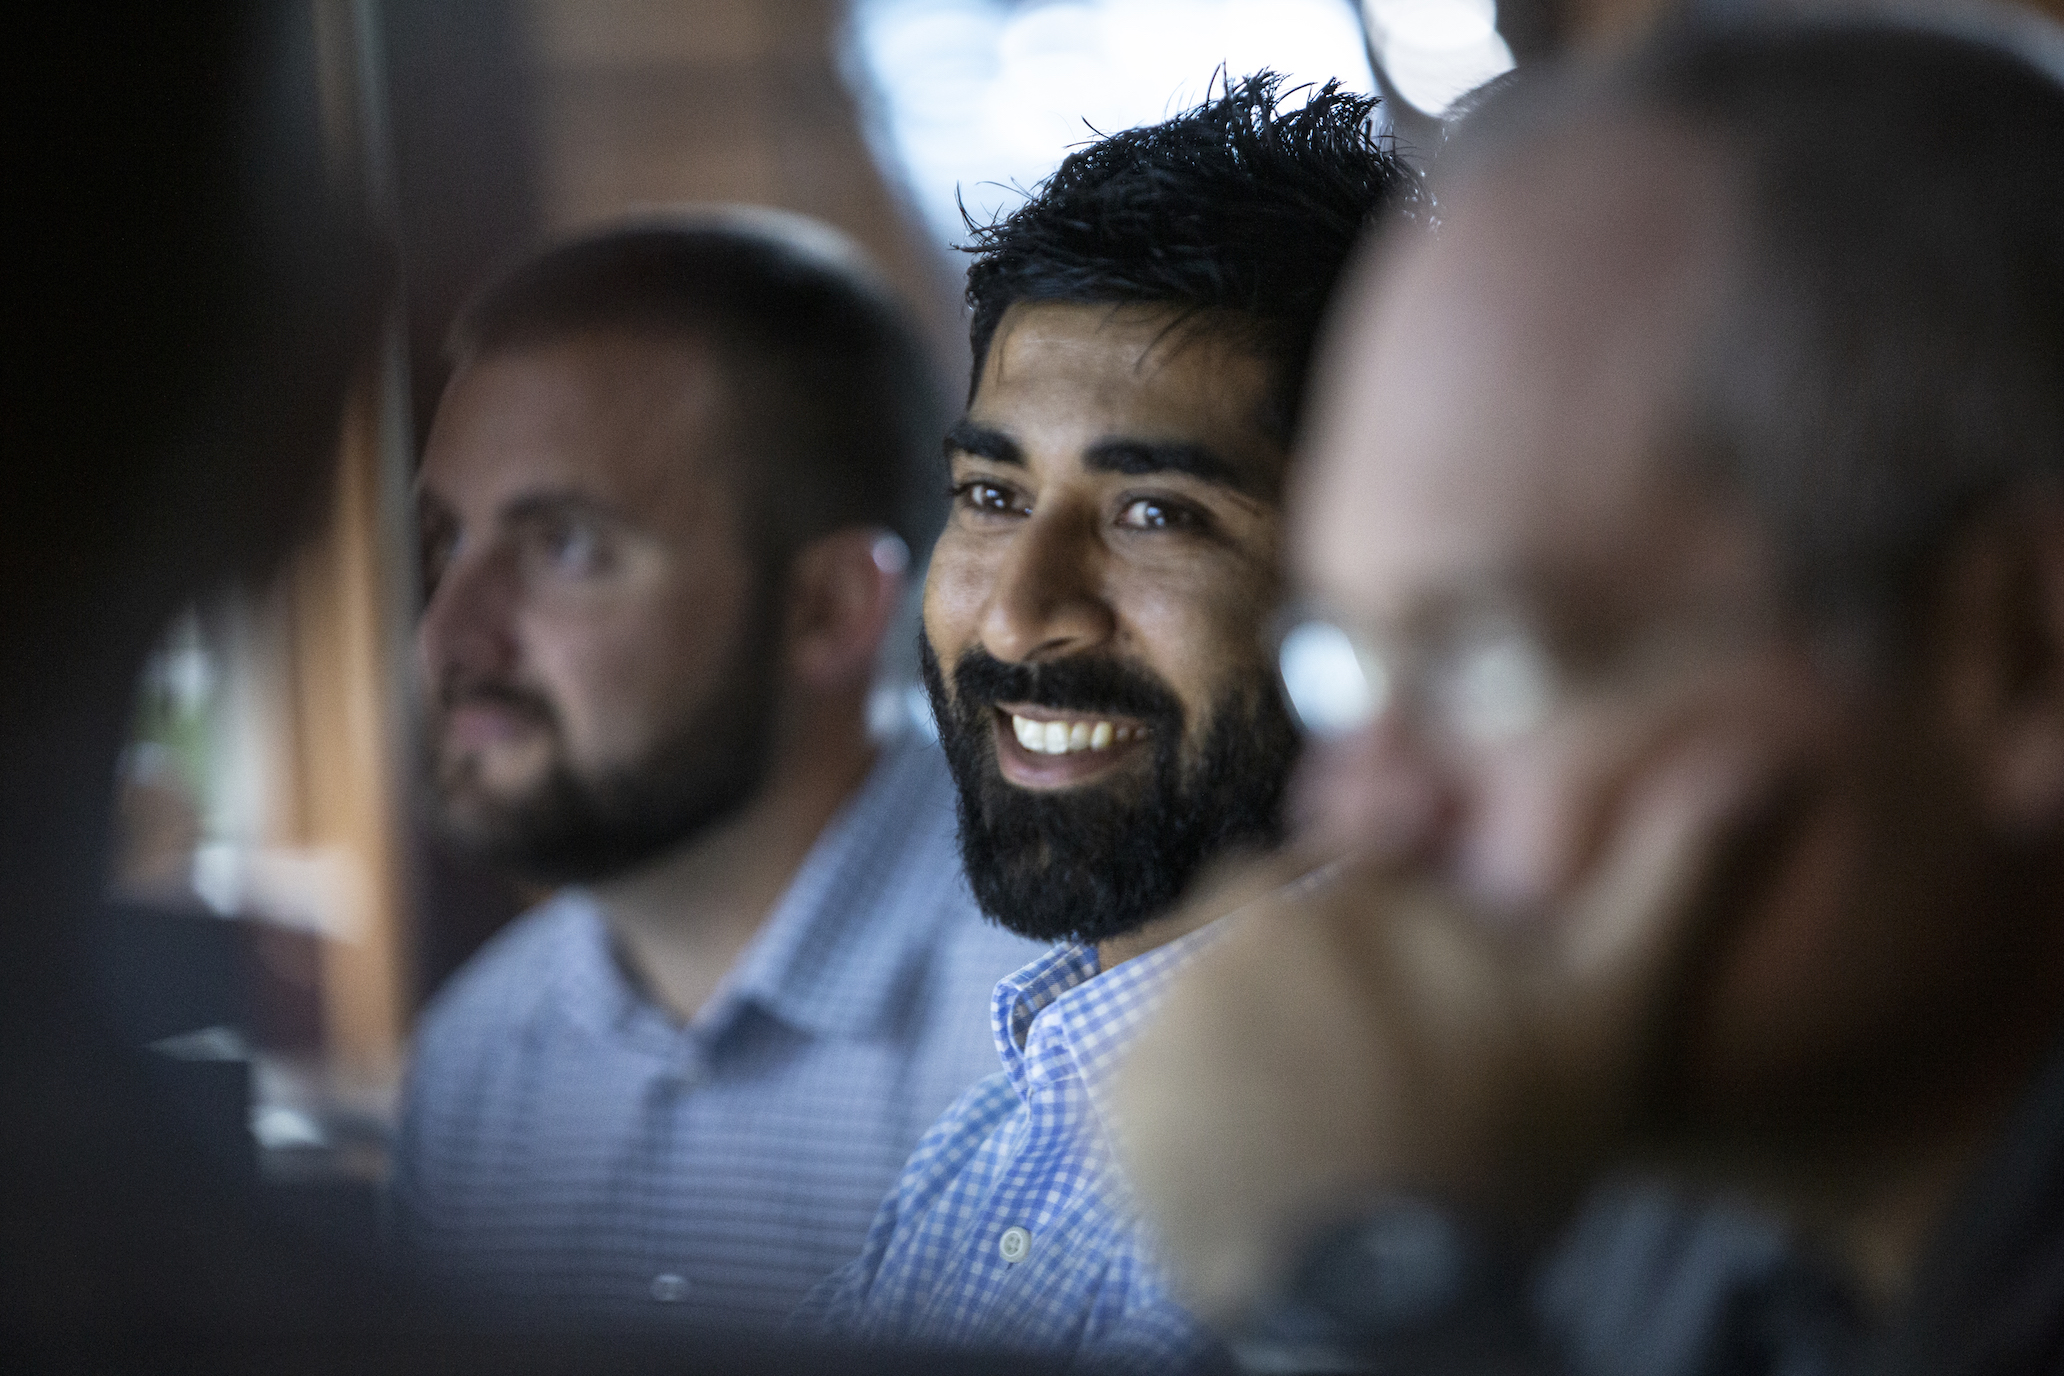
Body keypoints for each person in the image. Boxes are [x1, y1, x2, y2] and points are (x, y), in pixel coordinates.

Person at [1111, 18, 2064, 1376]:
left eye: (1496, 663)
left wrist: (1367, 1271)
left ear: (2022, 653)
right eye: (1352, 662)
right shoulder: (1653, 1204)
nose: (1359, 811)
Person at [794, 74, 1424, 1370]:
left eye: (1157, 515)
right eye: (990, 494)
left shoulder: (1397, 1190)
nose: (1022, 617)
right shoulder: (999, 1136)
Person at [390, 216, 1042, 1333]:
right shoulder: (472, 1069)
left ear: (829, 608)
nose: (451, 638)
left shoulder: (1050, 1039)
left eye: (566, 546)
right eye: (447, 546)